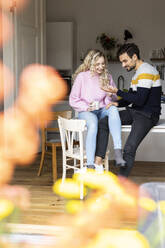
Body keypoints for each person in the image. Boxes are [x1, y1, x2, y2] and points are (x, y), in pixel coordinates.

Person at [95, 43, 162, 177]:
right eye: (122, 62)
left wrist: (117, 91)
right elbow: (131, 98)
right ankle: (99, 160)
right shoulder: (137, 73)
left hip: (147, 115)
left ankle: (120, 186)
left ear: (135, 57)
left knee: (129, 149)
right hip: (135, 111)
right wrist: (115, 102)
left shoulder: (146, 71)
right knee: (104, 122)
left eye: (125, 61)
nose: (123, 65)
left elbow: (140, 100)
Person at [69, 49, 126, 172]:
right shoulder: (82, 77)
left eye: (103, 63)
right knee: (93, 124)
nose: (101, 67)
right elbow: (73, 99)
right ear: (90, 63)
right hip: (87, 111)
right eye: (97, 64)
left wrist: (111, 94)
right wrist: (86, 107)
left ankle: (118, 152)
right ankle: (90, 165)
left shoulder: (107, 76)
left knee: (113, 109)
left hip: (102, 109)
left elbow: (114, 97)